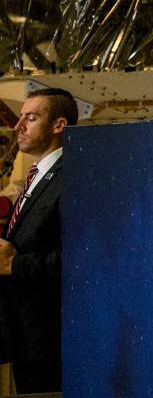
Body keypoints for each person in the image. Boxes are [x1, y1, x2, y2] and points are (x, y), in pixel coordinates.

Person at [0, 87, 77, 394]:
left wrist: (14, 265)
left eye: (30, 118)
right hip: (24, 335)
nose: (19, 126)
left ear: (59, 125)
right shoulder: (37, 176)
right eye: (21, 117)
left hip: (49, 340)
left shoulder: (71, 175)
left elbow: (81, 259)